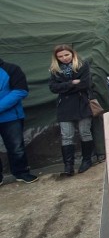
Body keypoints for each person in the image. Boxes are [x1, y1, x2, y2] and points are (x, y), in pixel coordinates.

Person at [48, 45, 95, 175]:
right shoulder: (54, 70)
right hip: (65, 106)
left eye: (66, 55)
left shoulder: (82, 65)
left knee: (85, 132)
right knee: (67, 136)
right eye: (60, 56)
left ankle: (87, 160)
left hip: (82, 103)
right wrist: (71, 83)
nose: (64, 58)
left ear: (72, 54)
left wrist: (64, 86)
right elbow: (53, 88)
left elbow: (85, 84)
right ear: (56, 58)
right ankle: (68, 165)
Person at [0, 57, 38, 184]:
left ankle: (21, 173)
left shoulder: (11, 69)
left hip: (11, 117)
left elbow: (21, 91)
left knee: (16, 147)